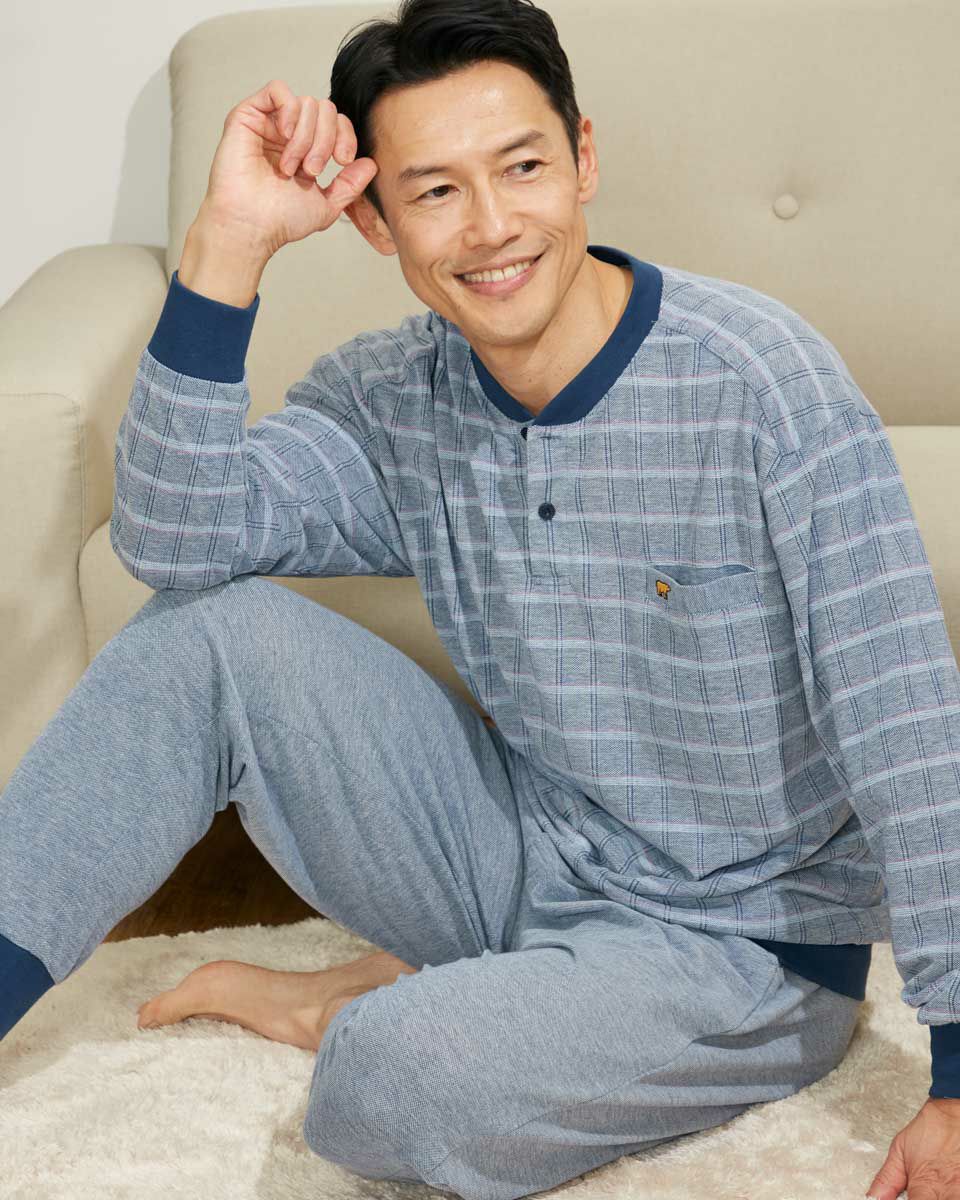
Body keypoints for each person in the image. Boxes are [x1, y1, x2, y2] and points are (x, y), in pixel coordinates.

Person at [3, 0, 960, 1197]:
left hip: (740, 945)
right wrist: (229, 246)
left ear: (584, 159)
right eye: (436, 191)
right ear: (375, 218)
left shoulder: (766, 388)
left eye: (522, 168)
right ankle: (490, 987)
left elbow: (910, 726)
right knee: (204, 639)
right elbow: (174, 536)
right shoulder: (394, 398)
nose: (493, 225)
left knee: (386, 1079)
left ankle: (408, 1007)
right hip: (520, 850)